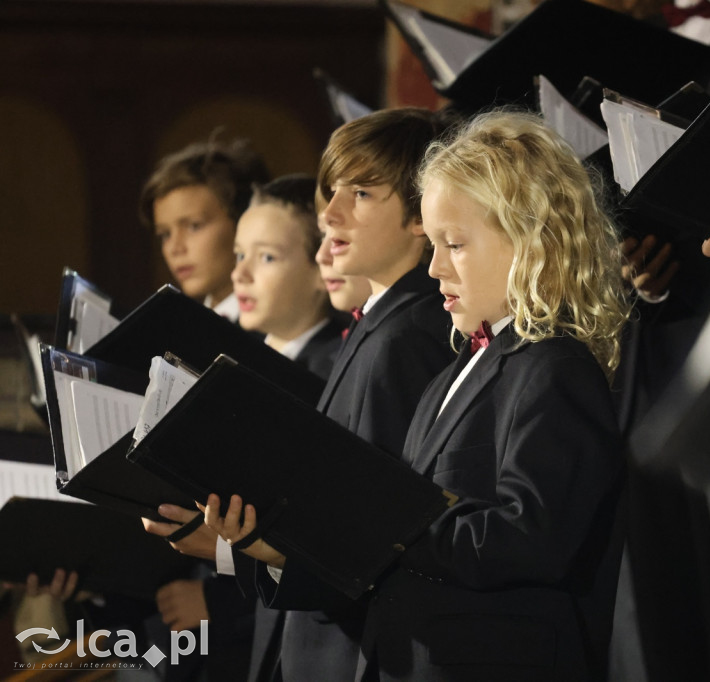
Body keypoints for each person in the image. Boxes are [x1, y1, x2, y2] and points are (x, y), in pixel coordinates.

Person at [207, 111, 631, 681]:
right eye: (432, 244)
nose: (433, 268)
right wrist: (274, 544)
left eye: (454, 244)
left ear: (532, 239)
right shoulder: (452, 376)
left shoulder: (554, 367)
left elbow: (531, 537)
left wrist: (388, 517)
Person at [201, 107, 453, 682]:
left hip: (351, 654)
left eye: (361, 193)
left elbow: (370, 534)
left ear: (420, 212)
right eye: (332, 192)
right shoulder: (380, 325)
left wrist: (248, 544)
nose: (331, 213)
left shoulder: (407, 336)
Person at [231, 173, 348, 379]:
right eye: (240, 255)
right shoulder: (235, 355)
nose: (239, 274)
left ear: (322, 267)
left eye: (267, 257)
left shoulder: (337, 372)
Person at [139, 136, 270, 320]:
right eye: (165, 234)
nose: (175, 249)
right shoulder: (182, 330)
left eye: (194, 226)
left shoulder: (279, 330)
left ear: (245, 221)